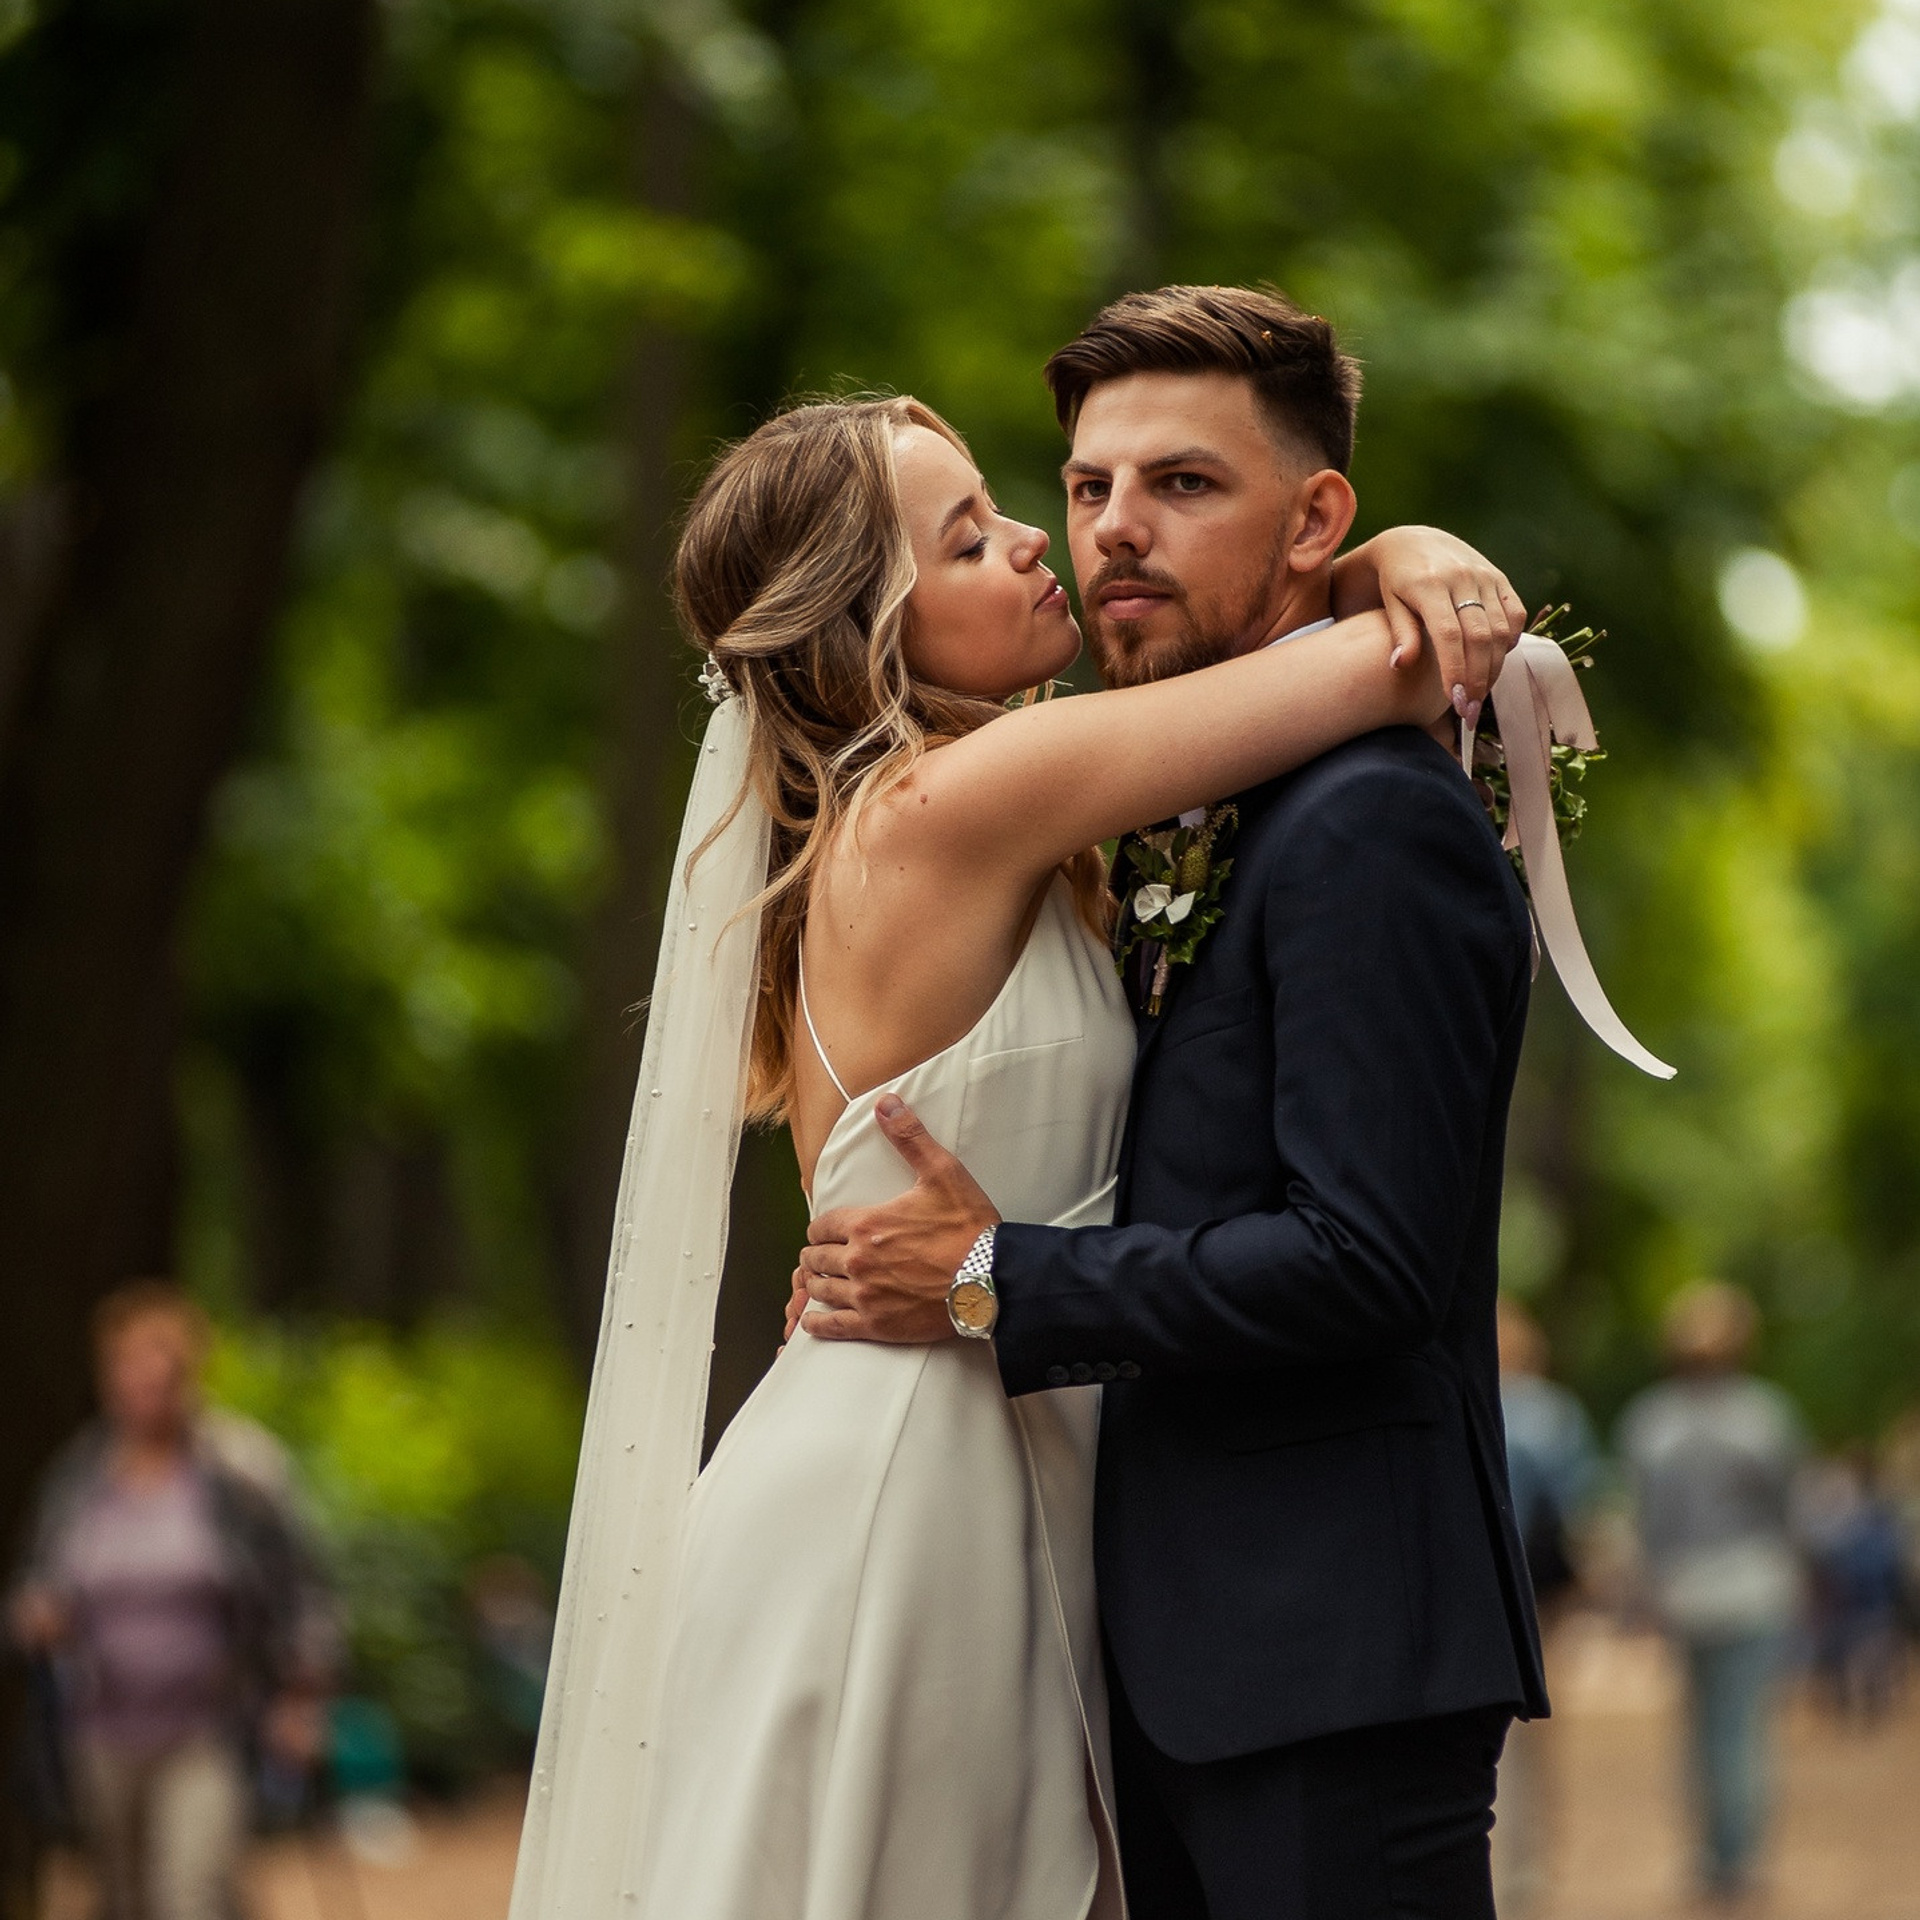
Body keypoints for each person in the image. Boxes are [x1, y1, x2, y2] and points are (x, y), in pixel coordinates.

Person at [511, 287, 1531, 1920]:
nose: (1062, 544)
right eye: (977, 534)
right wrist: (1410, 569)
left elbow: (1256, 673)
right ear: (869, 621)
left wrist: (1364, 552)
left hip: (999, 1474)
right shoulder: (956, 807)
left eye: (1012, 506)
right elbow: (1367, 679)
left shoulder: (1020, 811)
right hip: (902, 1491)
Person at [8, 1281, 339, 1920]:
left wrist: (302, 1696)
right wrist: (36, 1616)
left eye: (160, 1371)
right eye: (129, 1369)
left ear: (189, 1374)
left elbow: (300, 1588)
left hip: (208, 1728)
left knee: (188, 1896)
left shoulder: (239, 1470)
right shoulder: (79, 1476)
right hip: (98, 1732)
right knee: (125, 1900)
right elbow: (36, 1580)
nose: (144, 1386)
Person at [1616, 1281, 1806, 1906]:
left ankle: (1712, 1854)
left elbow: (1645, 1525)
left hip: (1684, 1594)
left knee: (1699, 1730)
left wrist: (1640, 1596)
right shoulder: (1765, 1417)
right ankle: (1738, 1857)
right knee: (1742, 1728)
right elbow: (1789, 1512)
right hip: (1754, 1590)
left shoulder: (1652, 1423)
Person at [1491, 1297, 1598, 1918]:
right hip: (1538, 1593)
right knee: (1537, 1721)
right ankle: (1529, 1864)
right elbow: (1577, 1503)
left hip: (1475, 1585)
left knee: (1483, 1723)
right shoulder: (1555, 1414)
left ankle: (1498, 1853)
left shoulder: (1461, 1398)